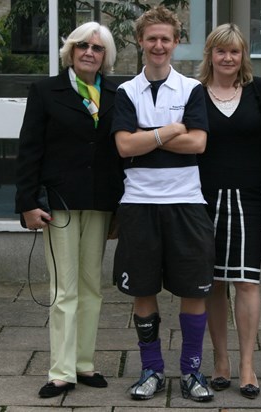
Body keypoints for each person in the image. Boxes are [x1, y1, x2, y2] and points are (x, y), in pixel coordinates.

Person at [111, 6, 215, 403]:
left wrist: (147, 136)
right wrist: (172, 129)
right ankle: (151, 369)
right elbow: (123, 147)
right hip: (138, 203)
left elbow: (198, 144)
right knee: (143, 290)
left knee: (194, 289)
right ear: (140, 42)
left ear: (175, 43)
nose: (158, 45)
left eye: (165, 39)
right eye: (151, 38)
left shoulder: (191, 89)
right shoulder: (125, 92)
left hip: (186, 201)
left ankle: (191, 372)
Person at [15, 22, 123, 398]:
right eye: (82, 46)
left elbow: (118, 154)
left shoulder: (115, 92)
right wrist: (28, 203)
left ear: (105, 56)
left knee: (93, 287)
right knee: (65, 289)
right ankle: (61, 371)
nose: (89, 52)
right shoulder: (45, 91)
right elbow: (29, 149)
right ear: (70, 51)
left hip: (100, 204)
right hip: (58, 204)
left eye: (97, 47)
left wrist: (120, 211)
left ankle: (83, 363)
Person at [197, 23, 261, 400]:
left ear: (243, 56)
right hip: (203, 198)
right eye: (221, 51)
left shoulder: (259, 94)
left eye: (235, 51)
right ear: (210, 55)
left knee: (246, 280)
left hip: (248, 198)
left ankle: (246, 365)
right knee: (212, 282)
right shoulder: (194, 94)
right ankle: (221, 361)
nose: (228, 58)